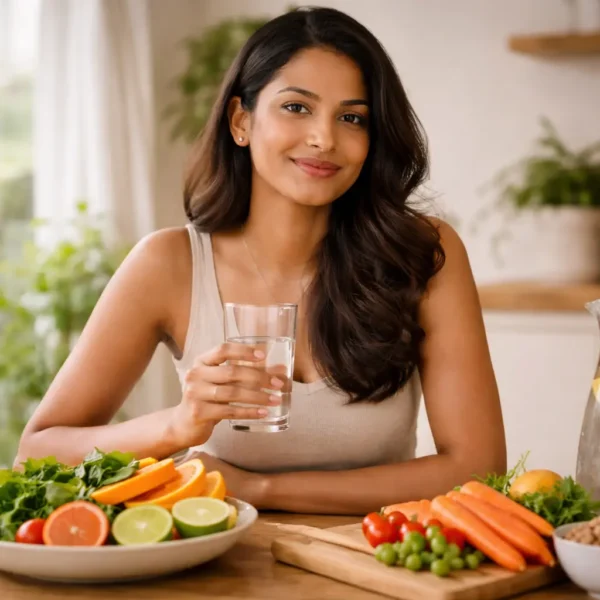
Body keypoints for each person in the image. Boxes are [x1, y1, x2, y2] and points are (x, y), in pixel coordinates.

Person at [16, 6, 506, 514]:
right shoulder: (168, 265)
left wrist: (262, 489)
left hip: (380, 568)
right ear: (241, 121)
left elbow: (477, 466)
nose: (324, 138)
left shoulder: (422, 254)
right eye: (297, 108)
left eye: (352, 117)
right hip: (218, 573)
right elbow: (37, 453)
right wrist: (178, 425)